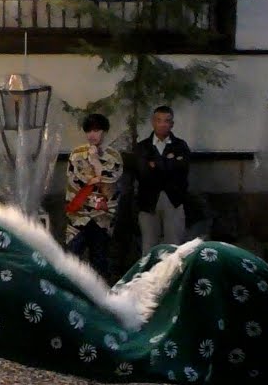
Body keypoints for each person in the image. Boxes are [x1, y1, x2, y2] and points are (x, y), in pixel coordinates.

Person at [64, 113, 123, 277]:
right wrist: (96, 180)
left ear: (104, 132)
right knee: (71, 259)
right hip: (79, 215)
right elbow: (74, 183)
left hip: (102, 217)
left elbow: (110, 187)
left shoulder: (114, 157)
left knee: (100, 262)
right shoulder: (76, 154)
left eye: (96, 130)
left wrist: (97, 163)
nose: (92, 135)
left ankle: (100, 298)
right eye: (89, 131)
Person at [134, 105, 191, 253]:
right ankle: (149, 276)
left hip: (174, 198)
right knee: (149, 246)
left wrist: (156, 164)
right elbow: (143, 174)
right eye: (159, 120)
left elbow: (182, 170)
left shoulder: (180, 145)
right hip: (148, 200)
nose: (163, 124)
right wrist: (169, 162)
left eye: (167, 121)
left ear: (172, 124)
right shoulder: (142, 147)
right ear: (153, 122)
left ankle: (172, 276)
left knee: (174, 246)